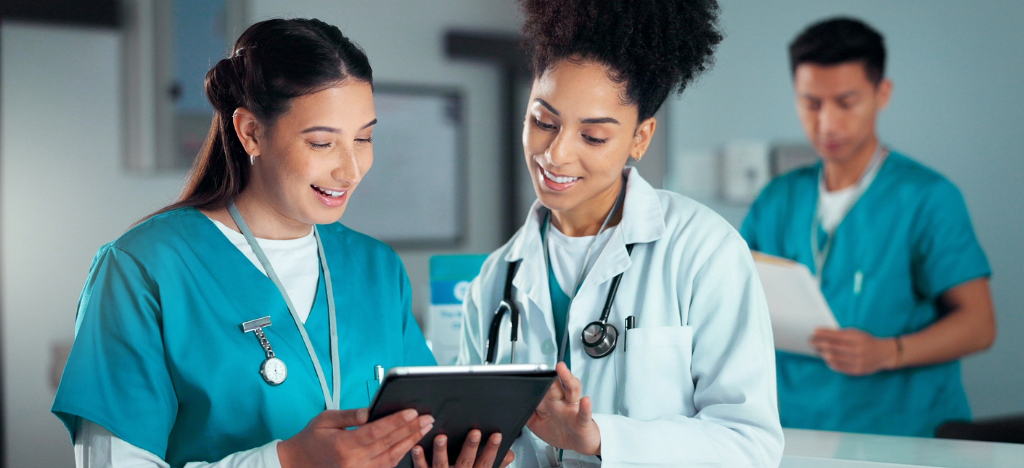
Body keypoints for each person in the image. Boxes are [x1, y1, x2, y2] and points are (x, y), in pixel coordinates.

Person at [52, 18, 511, 468]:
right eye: (321, 144)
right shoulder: (143, 269)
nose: (351, 170)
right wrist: (286, 461)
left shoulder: (377, 268)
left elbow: (419, 436)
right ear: (251, 131)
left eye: (364, 138)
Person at [458, 1, 783, 466]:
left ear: (640, 138)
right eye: (543, 121)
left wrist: (598, 438)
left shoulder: (704, 251)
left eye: (592, 137)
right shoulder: (495, 280)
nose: (556, 154)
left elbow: (750, 445)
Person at [741, 17, 996, 437]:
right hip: (791, 428)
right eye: (811, 103)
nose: (827, 124)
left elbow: (979, 325)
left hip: (901, 432)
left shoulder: (927, 197)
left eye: (846, 102)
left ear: (882, 94)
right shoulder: (778, 199)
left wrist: (890, 352)